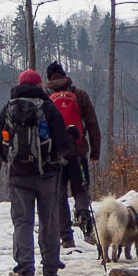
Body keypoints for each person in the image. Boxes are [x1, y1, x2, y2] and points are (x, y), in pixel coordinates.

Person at [0, 69, 69, 276]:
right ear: (40, 85)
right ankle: (50, 273)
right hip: (47, 175)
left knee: (22, 224)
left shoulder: (9, 109)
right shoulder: (48, 108)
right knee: (49, 223)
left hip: (18, 176)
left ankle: (25, 272)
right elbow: (63, 143)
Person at [44, 60, 101, 240]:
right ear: (64, 74)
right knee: (81, 190)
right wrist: (95, 152)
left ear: (49, 78)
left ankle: (66, 237)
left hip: (56, 155)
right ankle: (84, 219)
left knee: (59, 194)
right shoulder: (79, 94)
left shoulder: (46, 97)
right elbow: (92, 124)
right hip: (78, 152)